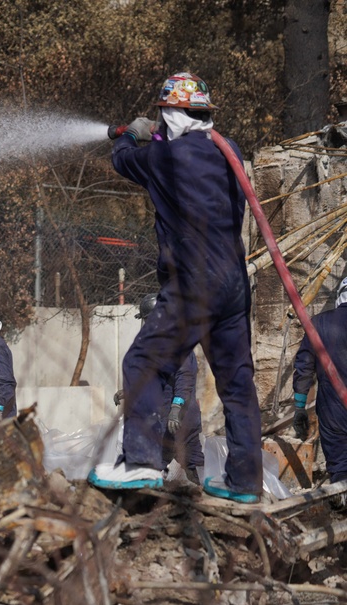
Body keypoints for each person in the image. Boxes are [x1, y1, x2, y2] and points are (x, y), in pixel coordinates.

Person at [89, 72, 263, 503]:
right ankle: (245, 482)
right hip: (234, 283)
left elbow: (123, 160)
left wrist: (131, 134)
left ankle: (142, 463)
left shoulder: (163, 159)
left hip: (193, 282)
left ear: (169, 113)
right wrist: (161, 137)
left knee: (144, 361)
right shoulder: (229, 152)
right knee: (237, 381)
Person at [114, 294, 204, 481]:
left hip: (181, 418)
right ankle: (158, 500)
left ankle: (202, 497)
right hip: (163, 420)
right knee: (155, 465)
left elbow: (185, 378)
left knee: (191, 463)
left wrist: (176, 408)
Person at [292, 277, 347, 485]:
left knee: (340, 464)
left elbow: (304, 367)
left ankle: (341, 503)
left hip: (333, 407)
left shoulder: (319, 323)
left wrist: (299, 406)